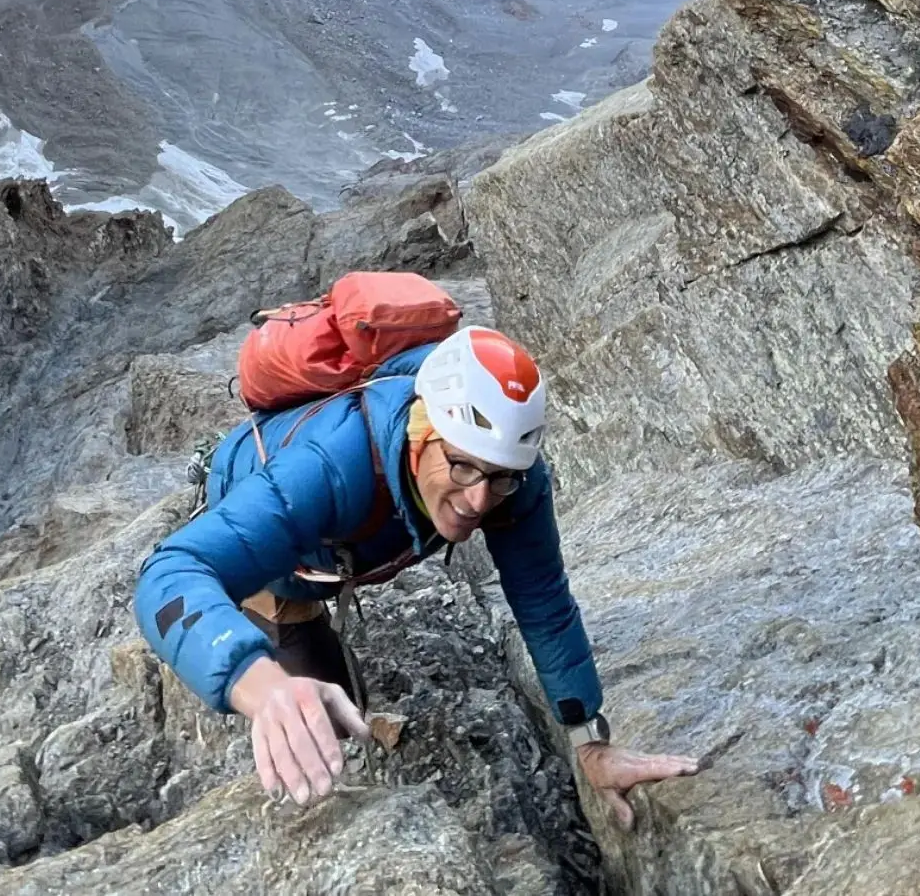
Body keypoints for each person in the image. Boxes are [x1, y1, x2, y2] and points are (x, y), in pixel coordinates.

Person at [134, 325, 696, 826]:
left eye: (497, 477)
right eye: (463, 466)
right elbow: (170, 575)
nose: (478, 499)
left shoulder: (512, 482)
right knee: (322, 730)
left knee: (333, 712)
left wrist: (591, 744)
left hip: (342, 539)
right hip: (272, 533)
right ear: (419, 434)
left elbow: (544, 603)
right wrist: (261, 686)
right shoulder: (329, 465)